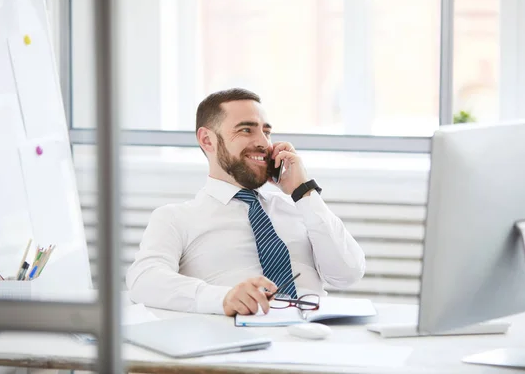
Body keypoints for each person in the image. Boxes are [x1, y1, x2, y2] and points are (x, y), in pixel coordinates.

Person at [126, 88, 366, 316]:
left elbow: (348, 273)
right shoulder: (176, 218)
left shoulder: (300, 208)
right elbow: (143, 279)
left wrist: (303, 191)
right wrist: (224, 298)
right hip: (237, 344)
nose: (264, 142)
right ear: (207, 140)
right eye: (246, 130)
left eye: (266, 131)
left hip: (314, 338)